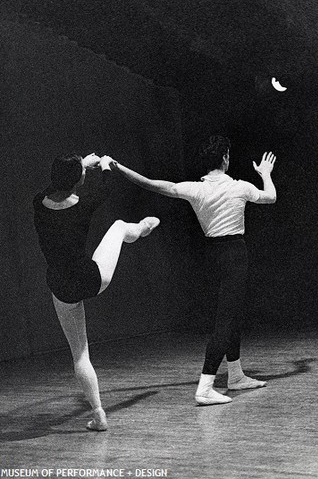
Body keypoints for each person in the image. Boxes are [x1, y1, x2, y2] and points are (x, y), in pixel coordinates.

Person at [111, 135, 276, 405]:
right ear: (225, 158)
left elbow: (152, 185)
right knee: (225, 319)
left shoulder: (195, 189)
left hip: (212, 256)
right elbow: (271, 197)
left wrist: (119, 168)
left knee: (230, 315)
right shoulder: (240, 187)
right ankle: (205, 386)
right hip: (234, 254)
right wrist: (265, 174)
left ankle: (235, 375)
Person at [33, 152, 160, 430]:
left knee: (80, 354)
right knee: (118, 228)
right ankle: (141, 228)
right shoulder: (83, 205)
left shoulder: (38, 205)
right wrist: (102, 167)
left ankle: (99, 414)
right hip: (91, 279)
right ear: (78, 179)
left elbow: (50, 188)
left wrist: (81, 166)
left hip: (61, 286)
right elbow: (105, 189)